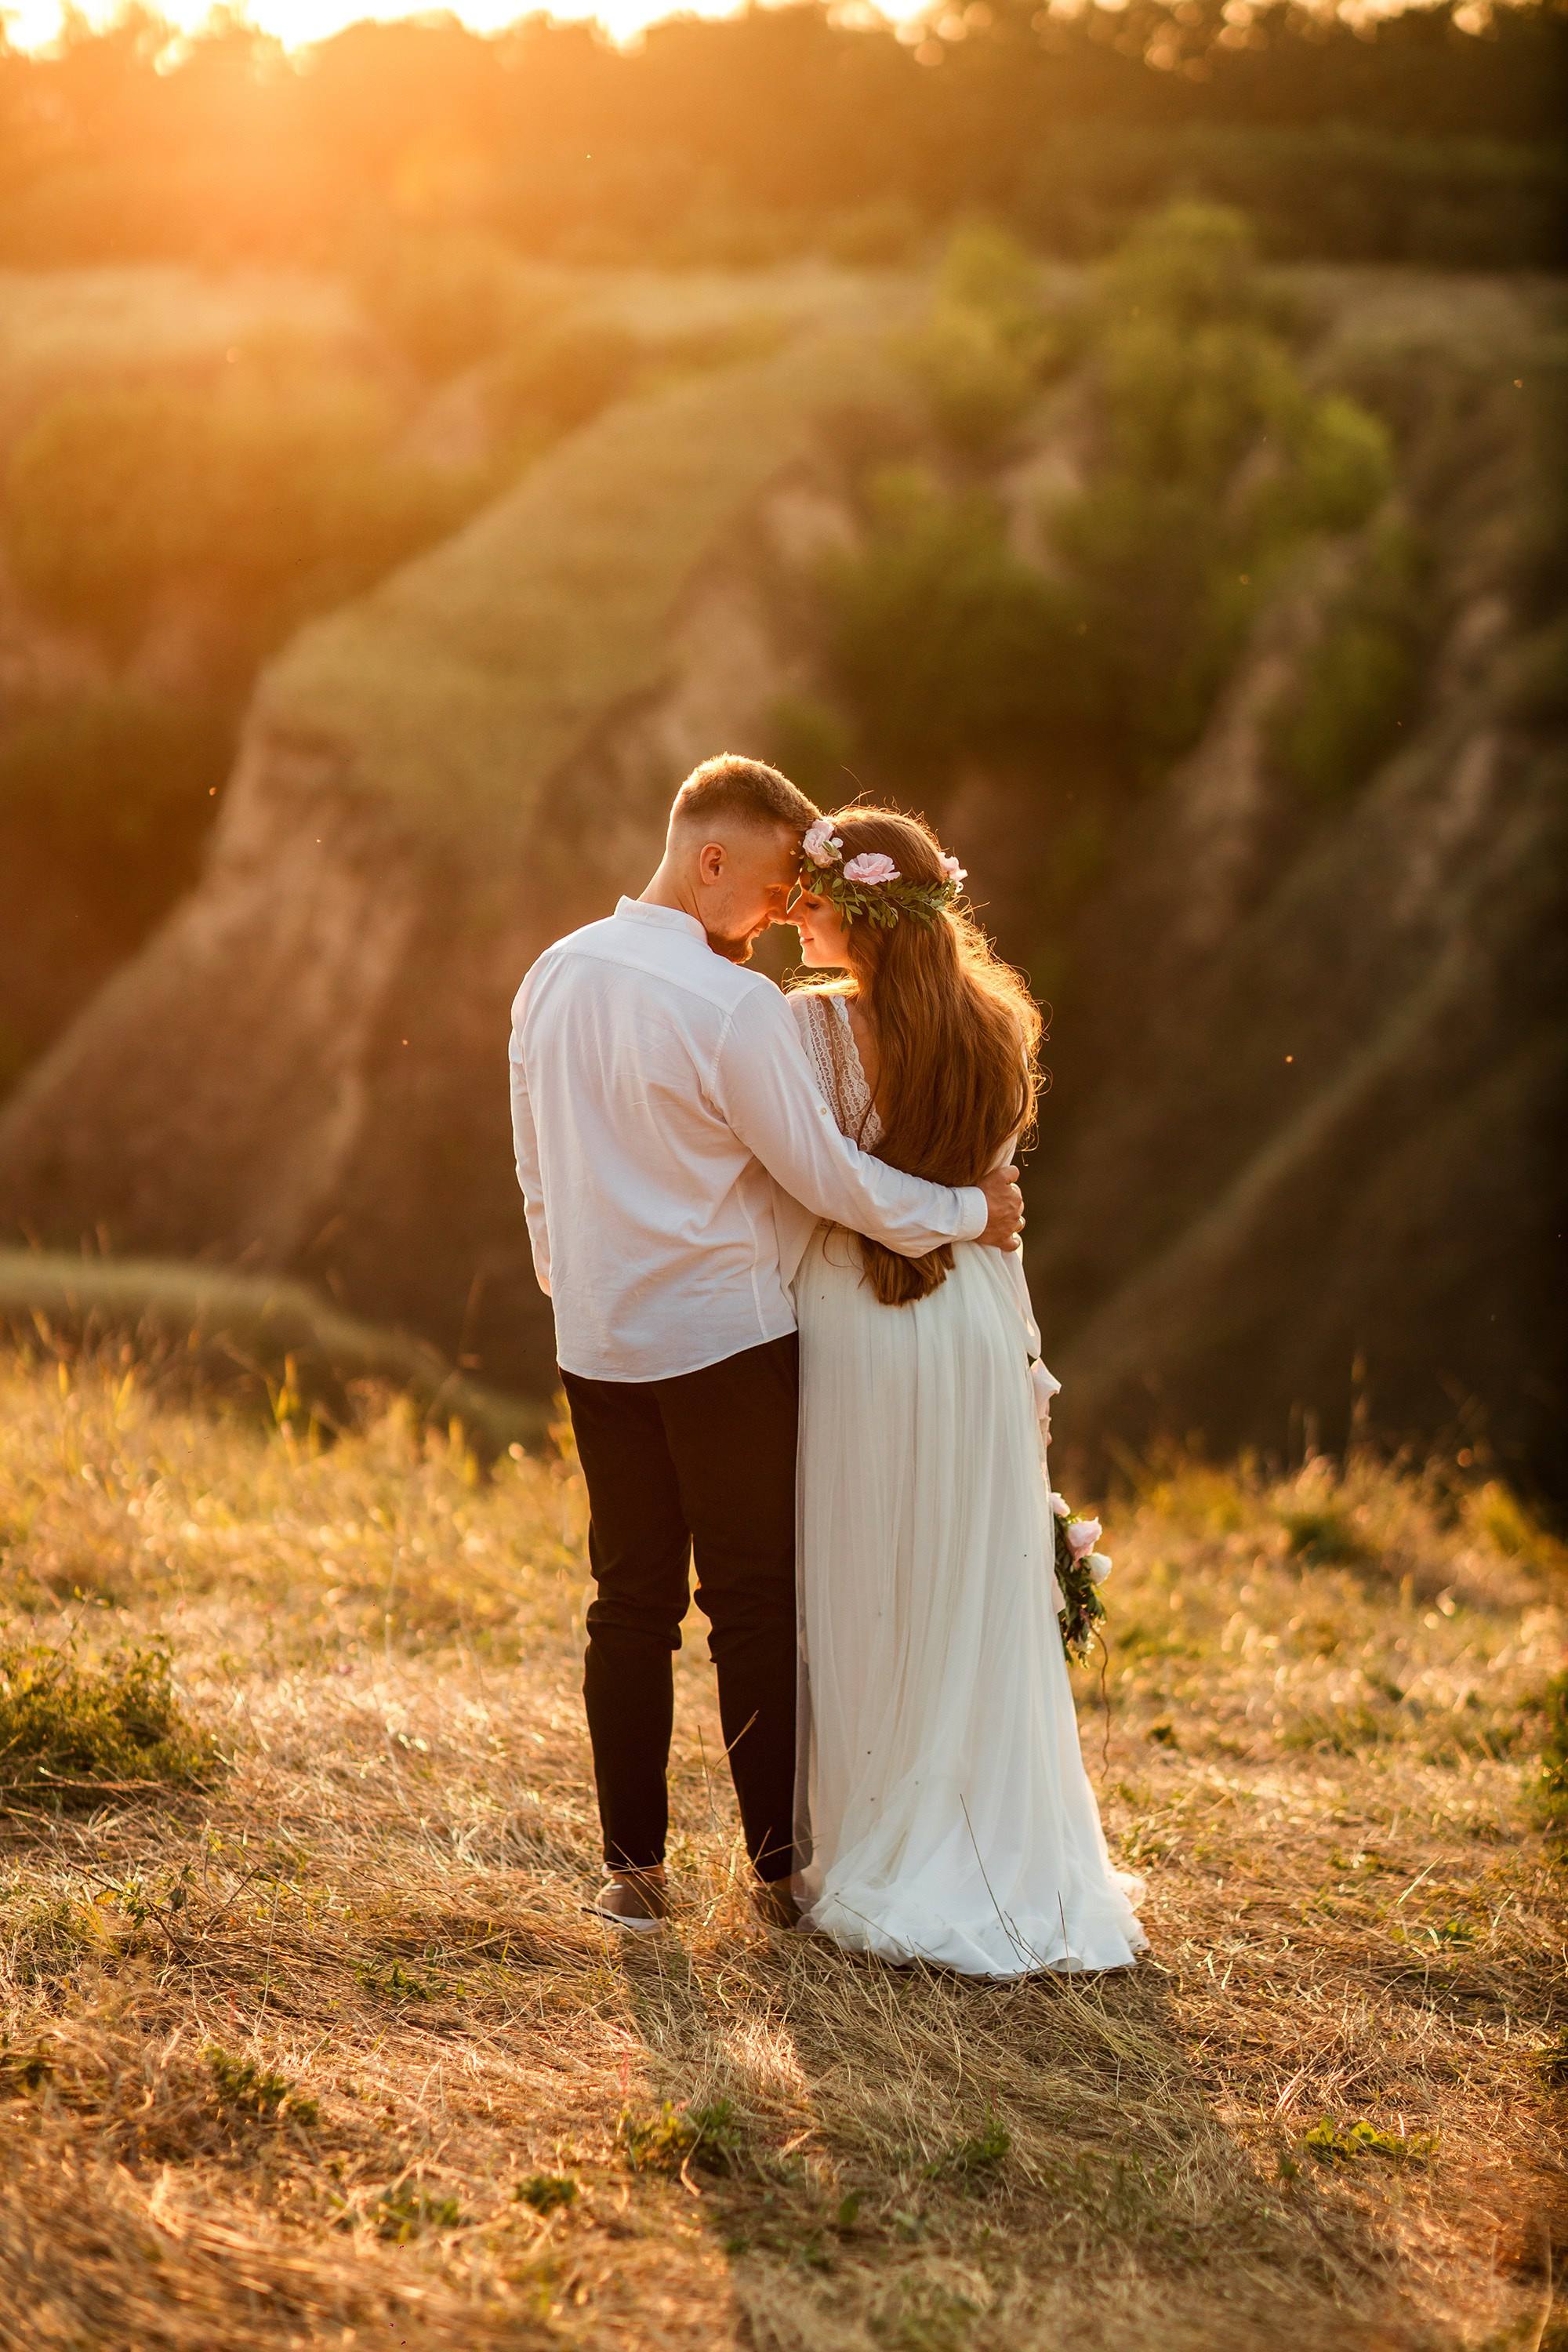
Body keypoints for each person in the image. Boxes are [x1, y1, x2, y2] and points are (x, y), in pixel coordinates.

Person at [508, 757, 1025, 1932]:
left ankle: (632, 1874)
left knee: (625, 1602)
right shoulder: (729, 1004)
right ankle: (782, 1872)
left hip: (597, 1340)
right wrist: (966, 1216)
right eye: (781, 879)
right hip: (729, 1342)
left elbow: (535, 1161)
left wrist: (571, 1286)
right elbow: (831, 1181)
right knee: (750, 1601)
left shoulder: (554, 970)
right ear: (712, 861)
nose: (787, 910)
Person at [786, 806, 1145, 1974]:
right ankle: (986, 1837)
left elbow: (818, 1189)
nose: (798, 909)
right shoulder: (998, 1023)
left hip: (860, 1316)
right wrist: (1028, 1360)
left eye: (813, 891)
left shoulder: (809, 1033)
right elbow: (1000, 1208)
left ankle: (870, 1836)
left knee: (866, 1571)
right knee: (965, 1580)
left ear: (863, 910)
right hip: (973, 1319)